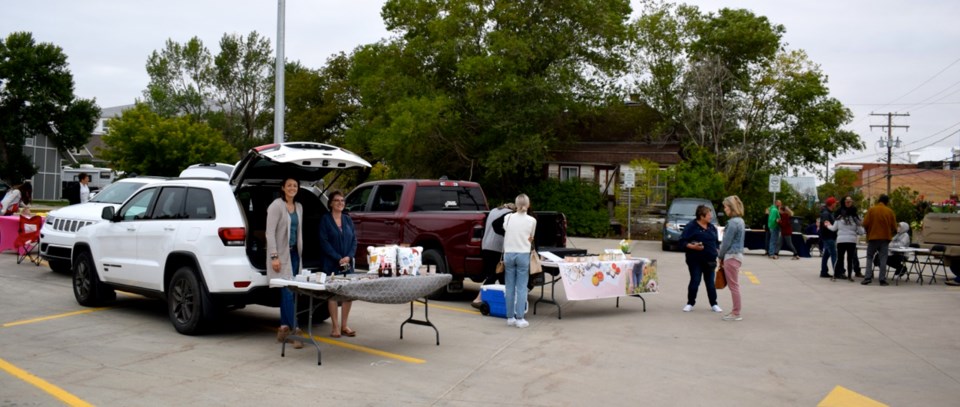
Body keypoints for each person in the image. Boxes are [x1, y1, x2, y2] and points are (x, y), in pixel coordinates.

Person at [266, 177, 304, 348]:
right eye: (289, 185)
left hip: (295, 254)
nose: (292, 188)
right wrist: (274, 256)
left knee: (289, 292)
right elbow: (269, 233)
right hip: (281, 255)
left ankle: (283, 328)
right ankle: (296, 331)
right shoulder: (276, 206)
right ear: (282, 187)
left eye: (295, 185)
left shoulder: (299, 207)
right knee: (288, 292)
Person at [319, 190, 358, 338]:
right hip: (331, 263)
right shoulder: (325, 219)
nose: (340, 203)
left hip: (347, 264)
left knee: (348, 295)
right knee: (333, 295)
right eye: (337, 200)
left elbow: (354, 240)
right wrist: (337, 258)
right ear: (330, 203)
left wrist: (349, 256)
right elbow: (324, 242)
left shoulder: (348, 219)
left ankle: (344, 326)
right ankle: (335, 327)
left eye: (342, 200)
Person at [471, 202, 516, 308]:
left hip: (486, 246)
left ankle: (505, 300)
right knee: (494, 274)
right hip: (498, 248)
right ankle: (478, 299)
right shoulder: (510, 214)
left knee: (501, 276)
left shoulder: (493, 211)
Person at [502, 194, 536, 328]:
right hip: (523, 253)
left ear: (515, 204)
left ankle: (510, 317)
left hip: (509, 253)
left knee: (509, 286)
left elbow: (506, 229)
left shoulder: (507, 217)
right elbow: (531, 237)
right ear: (528, 204)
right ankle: (520, 318)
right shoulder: (532, 220)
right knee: (521, 287)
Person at [680, 205, 722, 313]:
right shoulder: (691, 226)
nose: (711, 216)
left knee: (710, 283)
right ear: (701, 216)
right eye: (708, 214)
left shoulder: (712, 227)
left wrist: (717, 249)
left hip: (710, 260)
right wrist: (693, 246)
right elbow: (682, 242)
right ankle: (690, 303)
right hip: (695, 260)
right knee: (695, 281)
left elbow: (716, 241)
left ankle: (714, 304)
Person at [718, 196, 746, 321]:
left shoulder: (732, 223)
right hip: (738, 255)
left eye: (725, 207)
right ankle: (736, 312)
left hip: (731, 256)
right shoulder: (740, 221)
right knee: (734, 285)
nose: (724, 209)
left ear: (731, 207)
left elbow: (726, 243)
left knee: (733, 286)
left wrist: (720, 256)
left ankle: (736, 313)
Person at [861, 194, 898, 286]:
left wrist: (869, 232)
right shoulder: (890, 211)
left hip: (873, 238)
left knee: (869, 257)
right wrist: (889, 233)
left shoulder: (872, 210)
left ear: (879, 201)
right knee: (883, 259)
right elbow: (894, 227)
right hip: (885, 239)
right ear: (887, 202)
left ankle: (867, 278)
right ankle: (882, 279)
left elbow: (865, 223)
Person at [831, 196, 864, 282]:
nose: (849, 203)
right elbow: (861, 231)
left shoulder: (839, 216)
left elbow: (834, 228)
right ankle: (849, 276)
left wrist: (827, 225)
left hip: (841, 240)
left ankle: (835, 275)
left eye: (850, 201)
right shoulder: (855, 217)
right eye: (847, 201)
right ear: (844, 202)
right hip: (851, 241)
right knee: (850, 258)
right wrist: (861, 226)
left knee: (840, 258)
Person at [818, 197, 839, 278]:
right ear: (832, 204)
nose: (836, 204)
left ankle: (823, 271)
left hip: (828, 236)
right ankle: (836, 272)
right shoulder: (826, 213)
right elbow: (826, 225)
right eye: (835, 203)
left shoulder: (828, 212)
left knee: (826, 254)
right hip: (828, 237)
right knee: (834, 254)